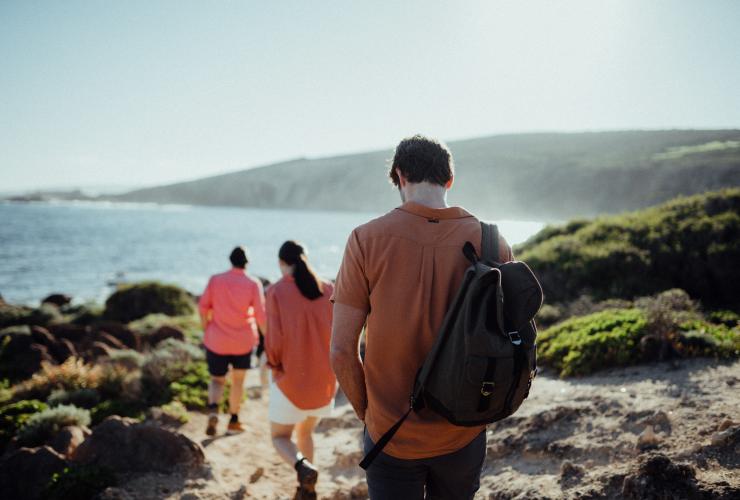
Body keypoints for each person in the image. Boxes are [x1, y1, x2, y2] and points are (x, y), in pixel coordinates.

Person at [330, 135, 514, 499]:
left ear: (400, 177)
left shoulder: (365, 240)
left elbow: (341, 352)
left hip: (391, 435)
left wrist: (369, 417)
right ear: (449, 180)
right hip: (464, 428)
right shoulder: (493, 242)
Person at [265, 241, 336, 500]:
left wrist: (273, 366)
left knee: (279, 437)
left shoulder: (275, 291)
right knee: (306, 432)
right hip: (324, 380)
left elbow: (273, 339)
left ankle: (301, 467)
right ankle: (308, 488)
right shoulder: (327, 288)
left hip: (290, 378)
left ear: (282, 263)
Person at [198, 246, 267, 436]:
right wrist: (267, 339)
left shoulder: (215, 280)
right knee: (238, 381)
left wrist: (206, 328)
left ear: (230, 260)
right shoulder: (253, 283)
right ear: (247, 262)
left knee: (216, 380)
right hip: (243, 342)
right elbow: (261, 316)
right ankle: (233, 421)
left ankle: (213, 409)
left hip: (216, 340)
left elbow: (203, 308)